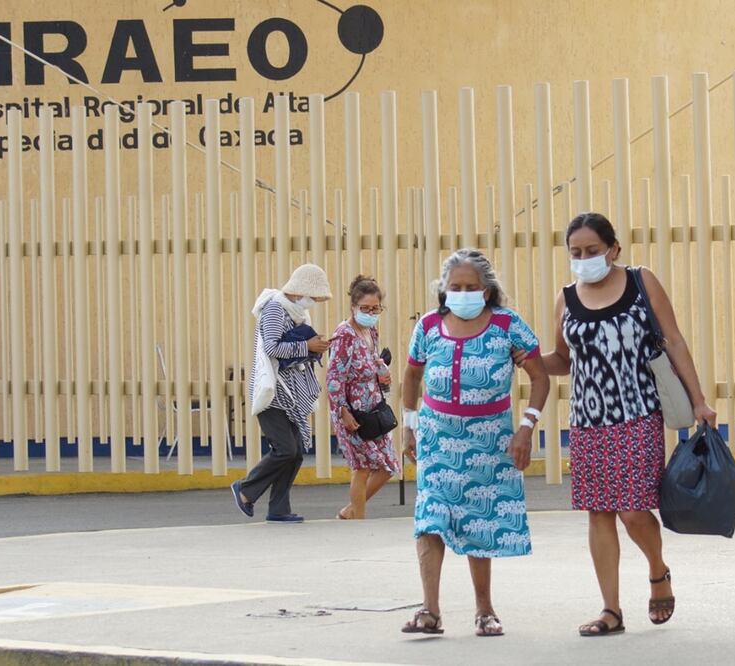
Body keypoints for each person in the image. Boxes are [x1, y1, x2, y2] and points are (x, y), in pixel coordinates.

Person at [532, 212, 716, 636]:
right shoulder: (566, 298)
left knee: (633, 511)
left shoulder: (640, 281)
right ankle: (610, 610)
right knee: (599, 514)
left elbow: (673, 340)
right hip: (587, 421)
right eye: (575, 252)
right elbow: (562, 360)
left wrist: (699, 400)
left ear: (613, 248)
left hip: (637, 414)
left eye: (592, 251)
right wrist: (523, 358)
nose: (584, 259)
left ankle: (657, 571)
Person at [399, 249, 550, 637]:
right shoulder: (430, 326)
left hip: (490, 441)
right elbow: (412, 376)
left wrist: (527, 428)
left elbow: (539, 376)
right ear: (443, 290)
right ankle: (429, 610)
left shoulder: (506, 325)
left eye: (471, 287)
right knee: (430, 517)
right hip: (437, 438)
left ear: (487, 291)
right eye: (455, 287)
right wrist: (409, 424)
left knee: (479, 522)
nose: (462, 293)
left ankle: (484, 610)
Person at [232, 264, 333, 524]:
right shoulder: (276, 308)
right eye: (315, 296)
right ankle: (246, 489)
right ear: (302, 290)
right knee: (285, 449)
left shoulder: (296, 312)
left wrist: (313, 347)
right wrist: (306, 345)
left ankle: (279, 508)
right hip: (274, 393)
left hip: (290, 394)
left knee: (296, 451)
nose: (315, 302)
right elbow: (273, 347)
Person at [326, 275, 399, 520]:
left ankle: (350, 511)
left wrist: (381, 372)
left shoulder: (371, 331)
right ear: (353, 307)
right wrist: (342, 411)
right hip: (352, 413)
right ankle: (358, 519)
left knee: (388, 466)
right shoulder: (344, 335)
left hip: (374, 409)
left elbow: (370, 362)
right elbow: (334, 377)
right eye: (364, 308)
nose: (370, 312)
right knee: (362, 466)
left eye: (375, 308)